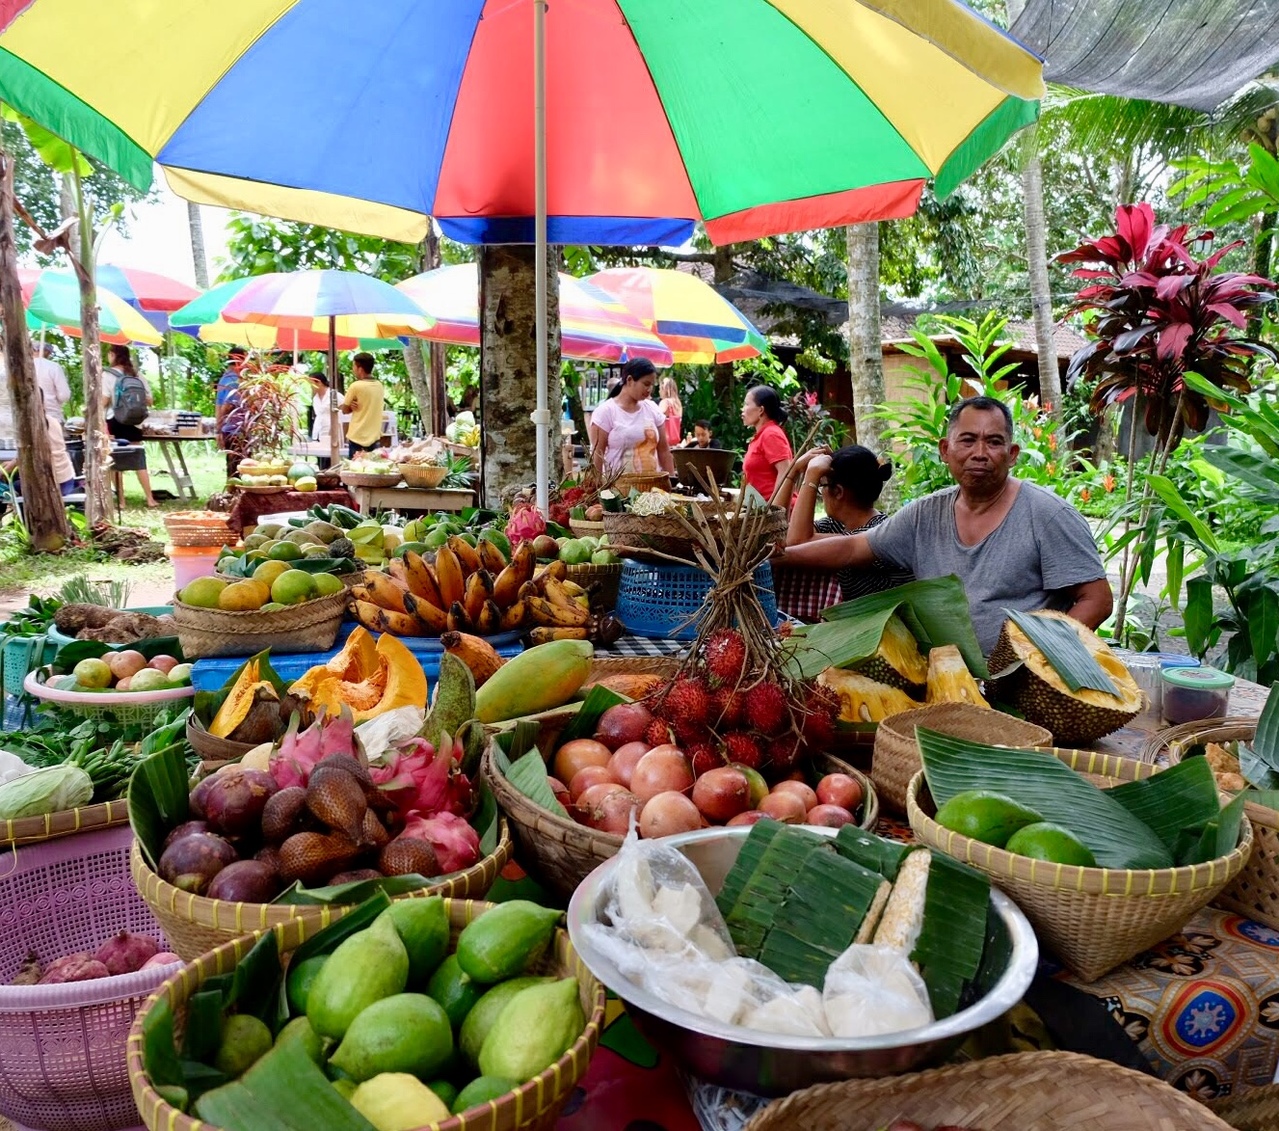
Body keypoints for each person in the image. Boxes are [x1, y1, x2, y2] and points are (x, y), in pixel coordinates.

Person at [777, 396, 1113, 655]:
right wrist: (778, 556)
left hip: (1023, 687)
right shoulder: (925, 514)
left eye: (994, 442)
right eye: (967, 440)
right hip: (943, 678)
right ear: (945, 450)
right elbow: (853, 546)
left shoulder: (1048, 515)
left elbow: (1096, 599)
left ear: (1012, 454)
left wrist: (1043, 656)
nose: (980, 452)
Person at [783, 444, 915, 602]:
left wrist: (811, 476)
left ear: (838, 492)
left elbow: (796, 542)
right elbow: (780, 533)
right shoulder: (837, 525)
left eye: (821, 486)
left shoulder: (876, 532)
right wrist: (792, 472)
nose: (821, 493)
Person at [589, 357, 674, 475]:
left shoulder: (653, 409)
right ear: (629, 380)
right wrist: (596, 487)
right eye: (646, 384)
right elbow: (597, 454)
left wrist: (672, 482)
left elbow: (664, 451)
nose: (649, 389)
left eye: (652, 385)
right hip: (618, 489)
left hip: (653, 489)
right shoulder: (605, 412)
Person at [102, 344, 158, 507]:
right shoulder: (137, 374)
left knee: (115, 460)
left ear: (112, 355)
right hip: (135, 420)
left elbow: (104, 401)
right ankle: (150, 498)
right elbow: (149, 400)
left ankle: (121, 501)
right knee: (138, 459)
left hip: (115, 419)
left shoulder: (107, 375)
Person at [740, 385, 793, 502]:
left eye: (747, 404)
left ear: (761, 410)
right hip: (761, 511)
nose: (743, 409)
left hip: (775, 513)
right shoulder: (761, 435)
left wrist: (775, 508)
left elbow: (785, 472)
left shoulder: (771, 434)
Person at [341, 352, 385, 459]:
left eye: (354, 366)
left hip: (357, 436)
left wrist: (350, 406)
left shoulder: (356, 386)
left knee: (356, 470)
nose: (353, 369)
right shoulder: (379, 386)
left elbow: (344, 410)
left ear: (360, 369)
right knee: (372, 469)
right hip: (374, 436)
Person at [215, 346, 247, 475]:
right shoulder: (234, 381)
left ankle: (232, 491)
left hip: (228, 429)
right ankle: (235, 493)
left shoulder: (225, 378)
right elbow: (226, 406)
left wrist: (218, 429)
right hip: (236, 430)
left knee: (232, 465)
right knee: (239, 467)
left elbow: (218, 405)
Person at [307, 371, 339, 468]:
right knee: (320, 461)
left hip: (330, 432)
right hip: (318, 432)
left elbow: (343, 413)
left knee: (329, 461)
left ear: (319, 383)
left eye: (312, 384)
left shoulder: (333, 395)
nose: (311, 387)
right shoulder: (315, 398)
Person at [658, 376, 682, 447]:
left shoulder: (665, 402)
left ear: (665, 390)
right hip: (675, 439)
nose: (659, 392)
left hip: (664, 439)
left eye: (660, 389)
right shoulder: (678, 403)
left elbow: (657, 416)